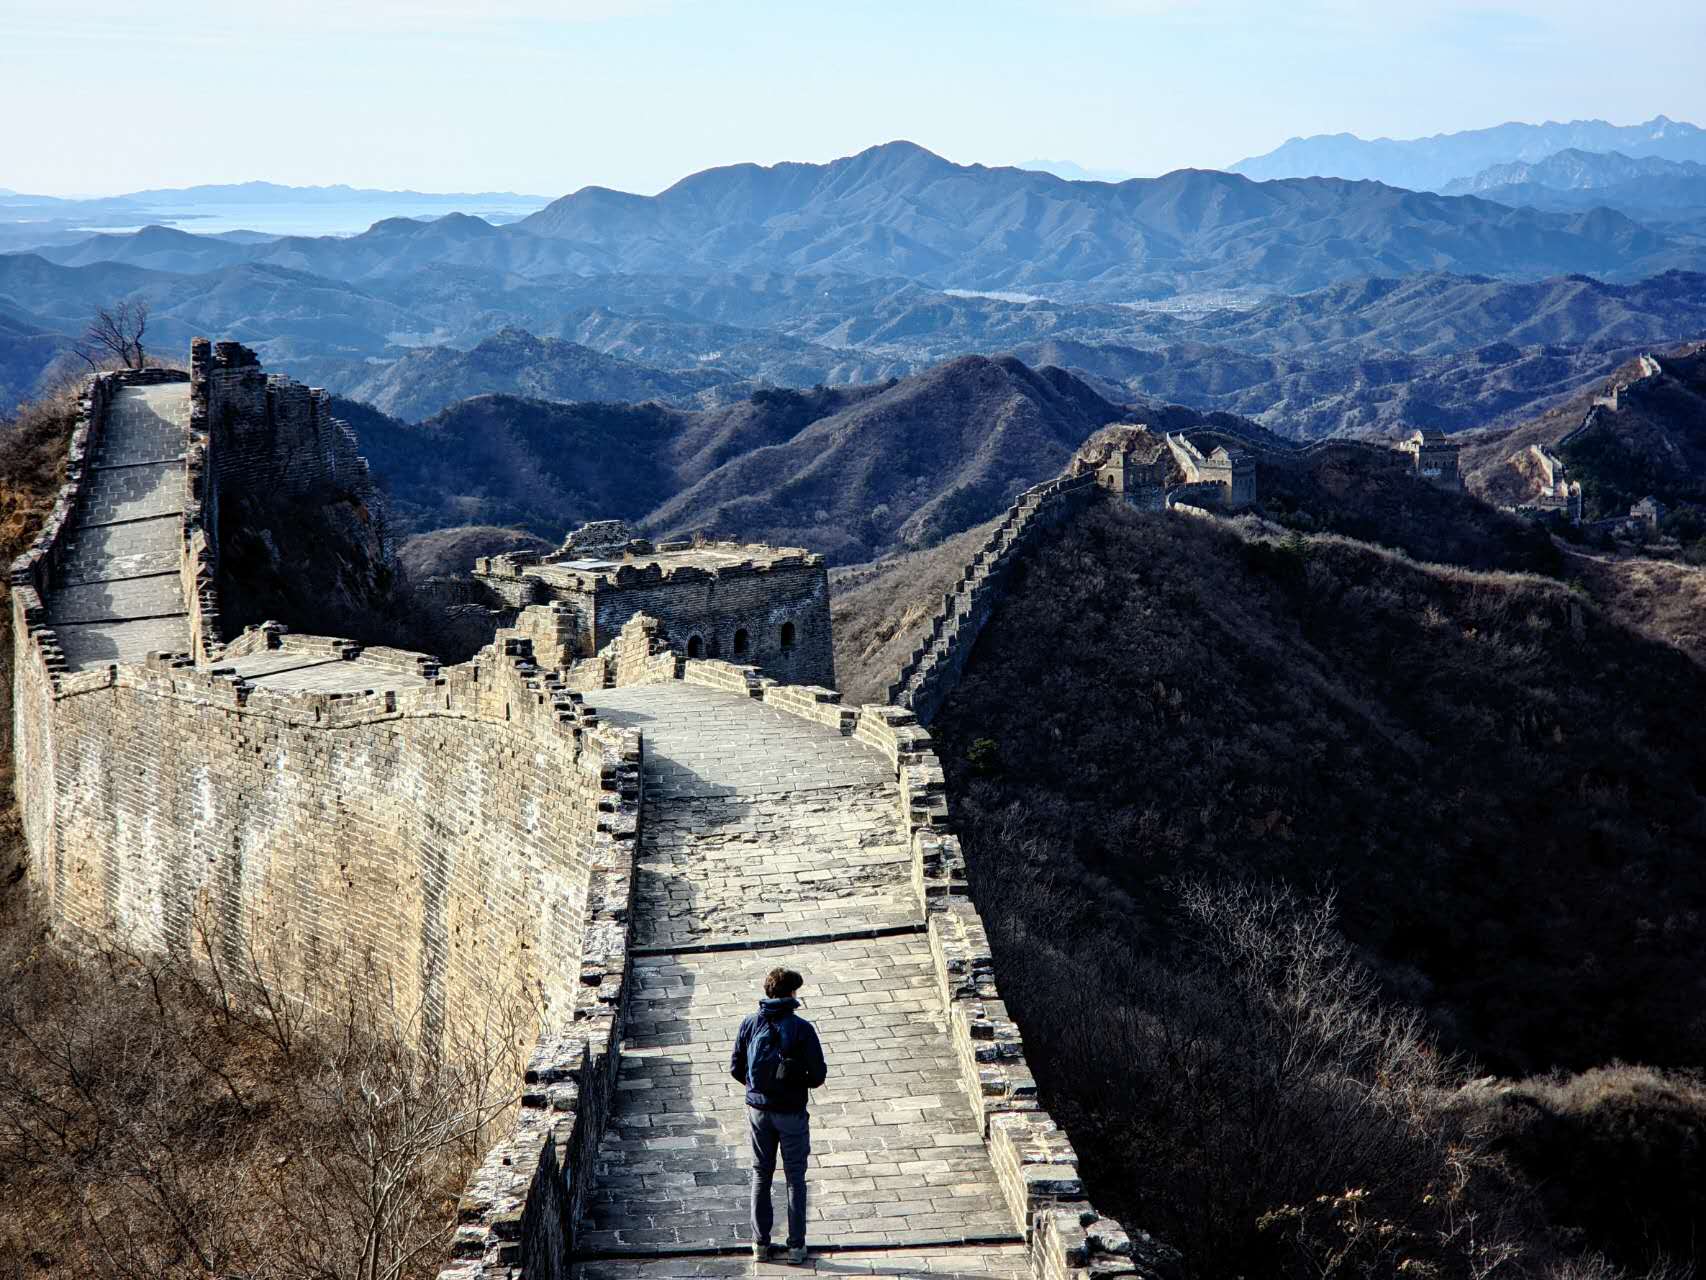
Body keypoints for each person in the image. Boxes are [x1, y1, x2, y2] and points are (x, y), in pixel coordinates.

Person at [730, 966, 828, 1265]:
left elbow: (736, 1067)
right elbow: (818, 1076)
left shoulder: (749, 1023)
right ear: (791, 993)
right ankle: (796, 1247)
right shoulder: (801, 1028)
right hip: (791, 1112)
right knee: (795, 1178)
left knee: (761, 1174)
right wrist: (795, 1080)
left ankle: (760, 1245)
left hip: (759, 1112)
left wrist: (758, 1090)